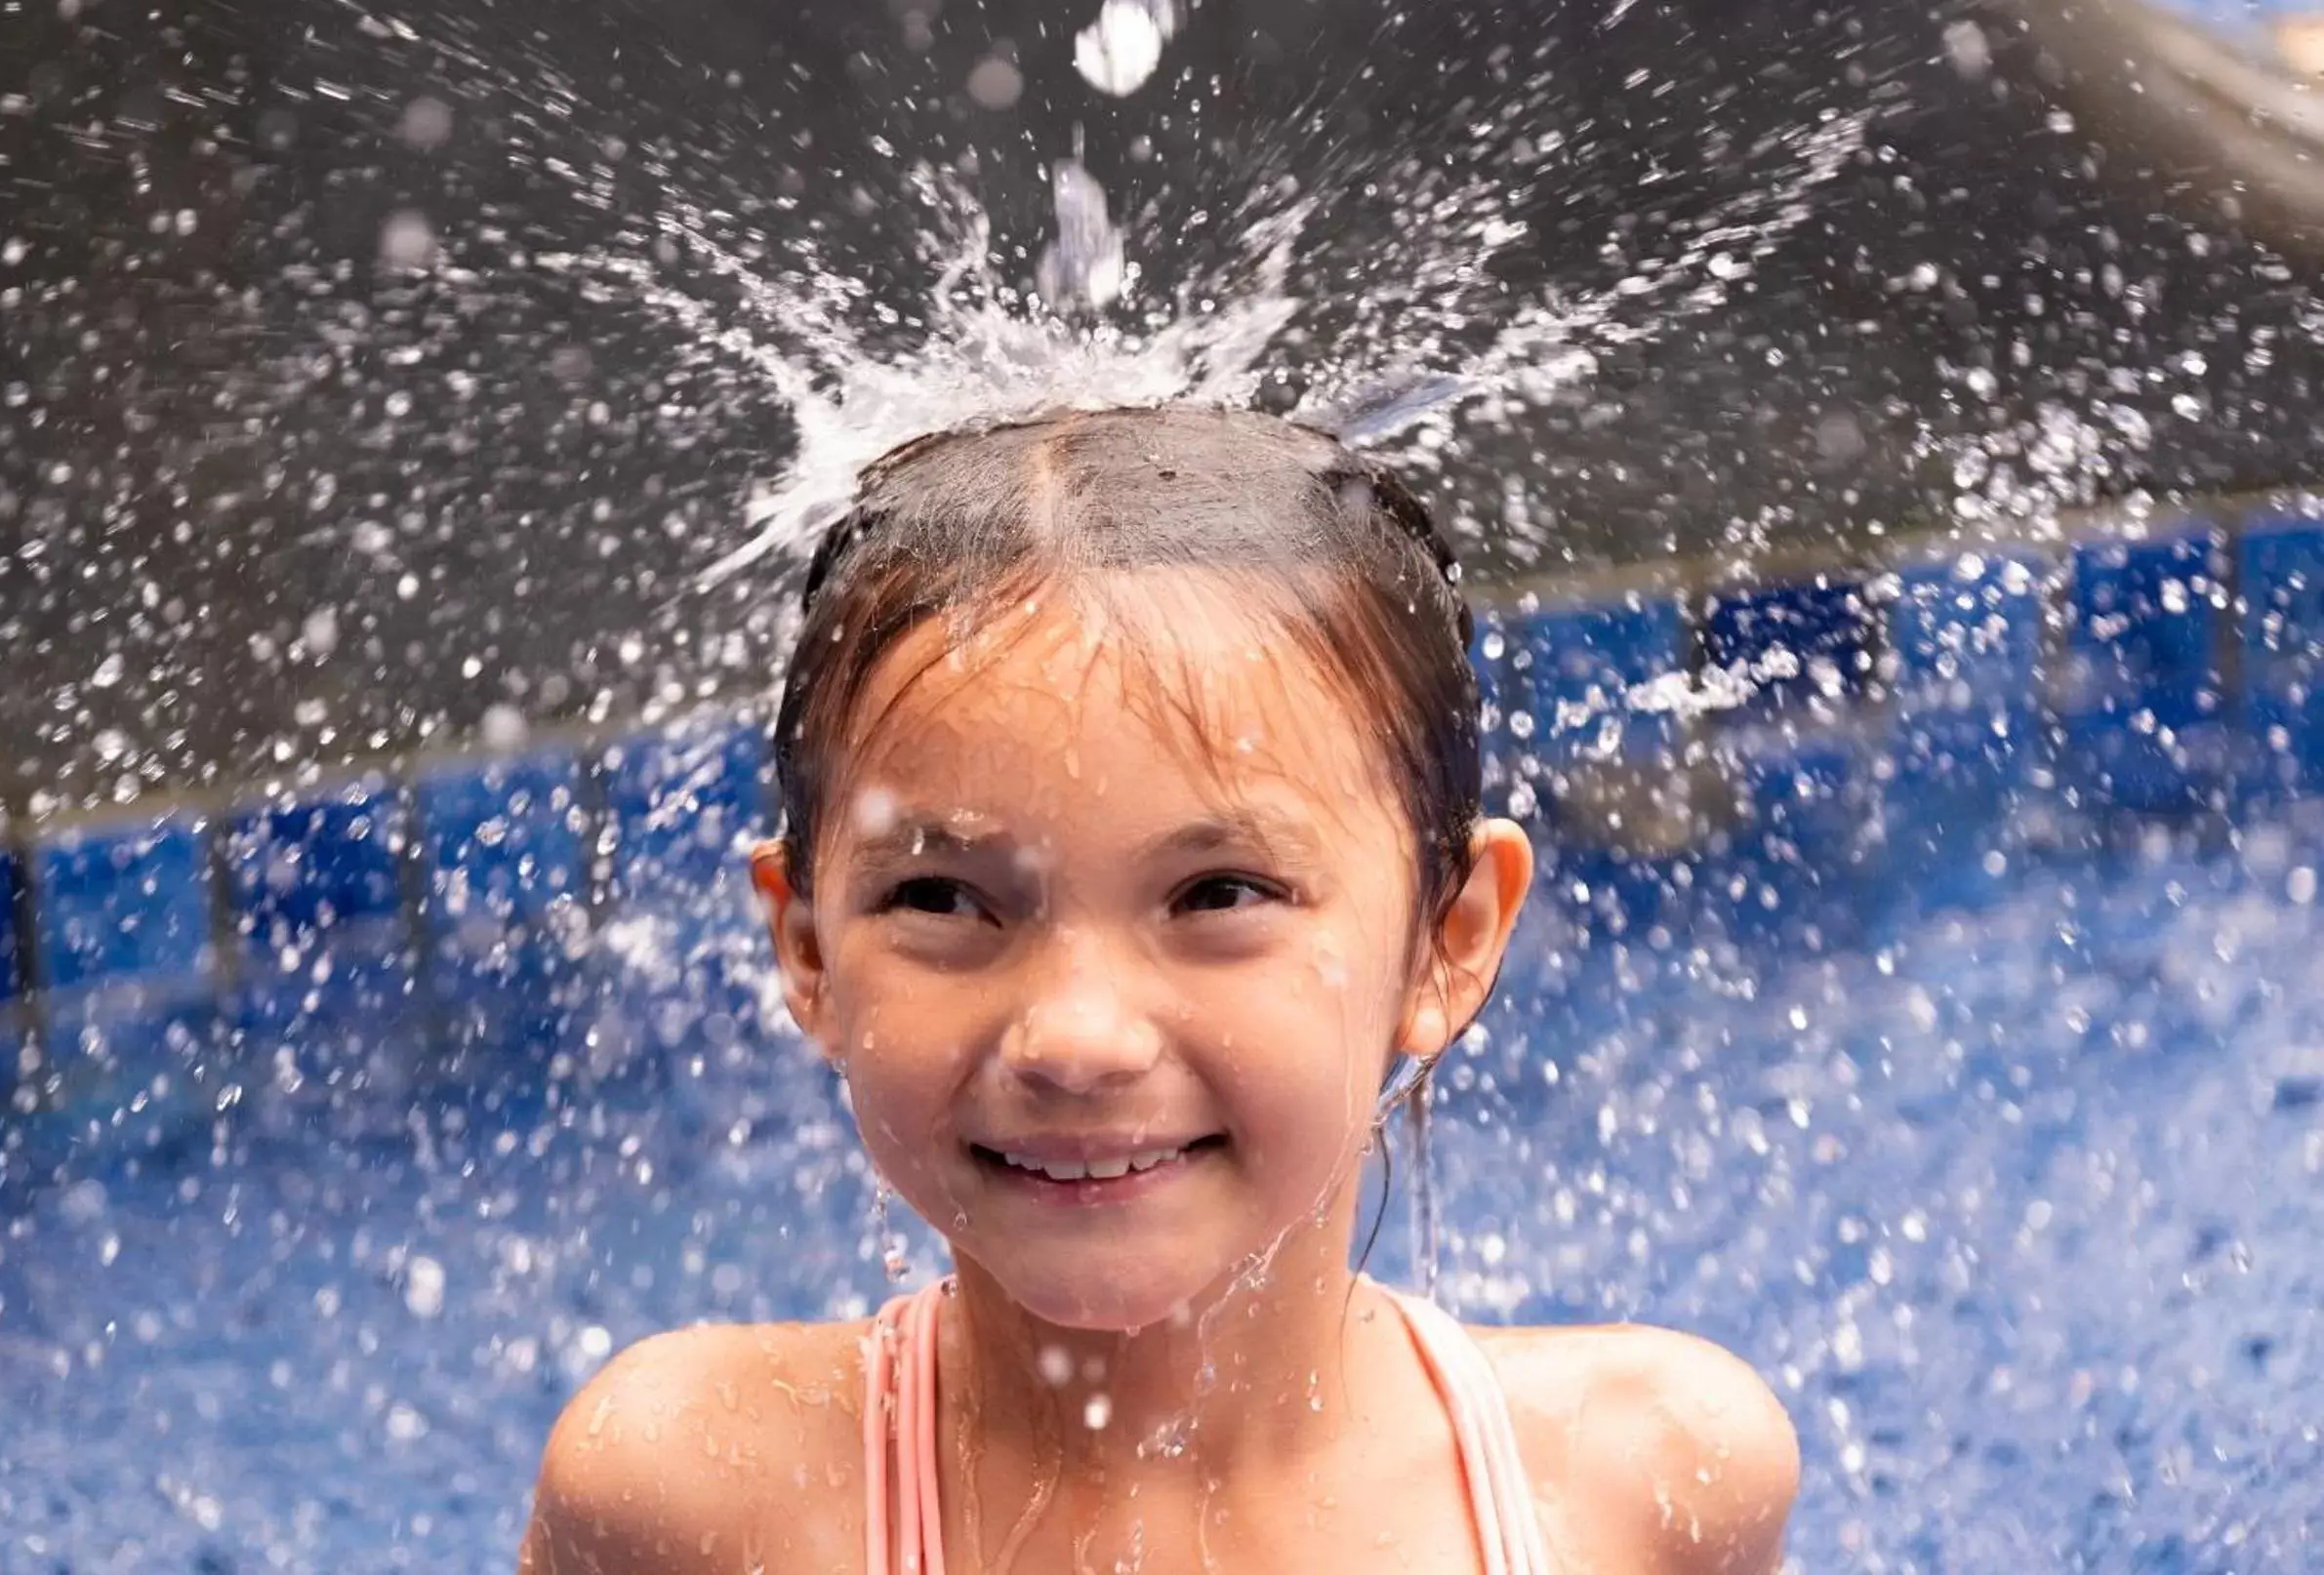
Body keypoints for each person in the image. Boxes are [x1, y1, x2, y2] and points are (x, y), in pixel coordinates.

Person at [521, 404, 1799, 1573]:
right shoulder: (691, 1500)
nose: (1076, 1036)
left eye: (1220, 894)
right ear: (806, 949)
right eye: (944, 899)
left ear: (1446, 938)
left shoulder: (1645, 1486)